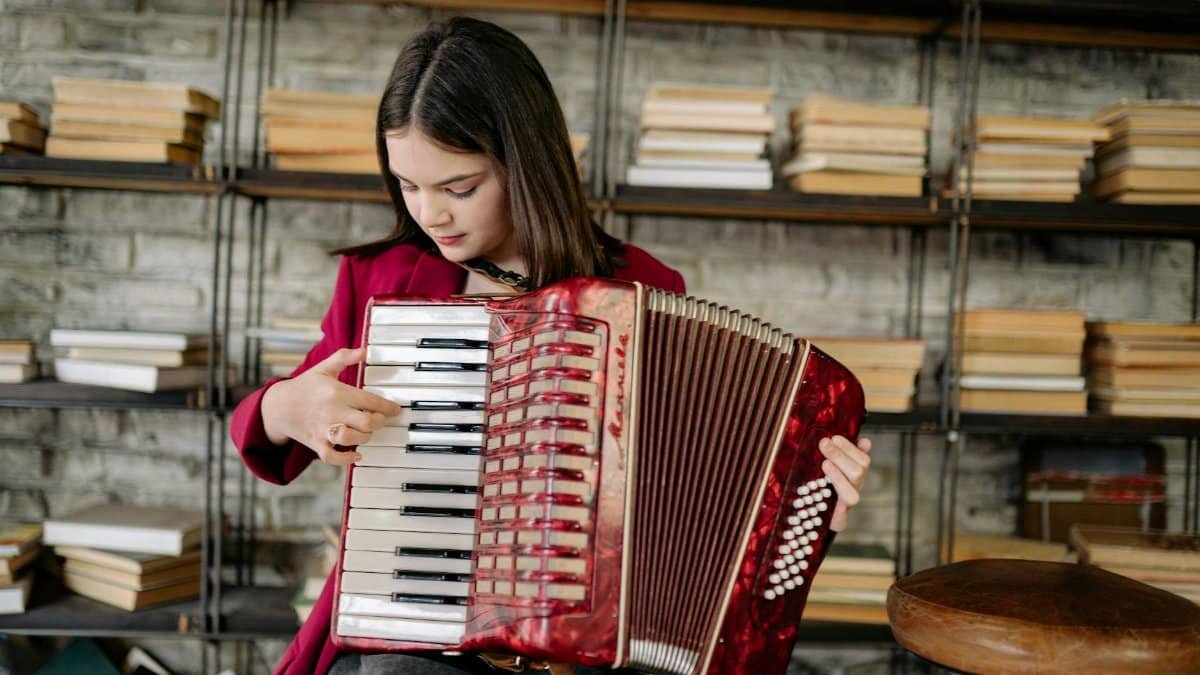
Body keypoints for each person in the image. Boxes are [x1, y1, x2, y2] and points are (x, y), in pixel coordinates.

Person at [229, 16, 873, 675]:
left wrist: (806, 499)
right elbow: (262, 426)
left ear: (525, 162)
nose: (431, 213)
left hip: (595, 651)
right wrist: (292, 407)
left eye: (459, 187)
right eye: (407, 185)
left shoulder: (640, 288)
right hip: (422, 637)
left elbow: (697, 507)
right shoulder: (382, 281)